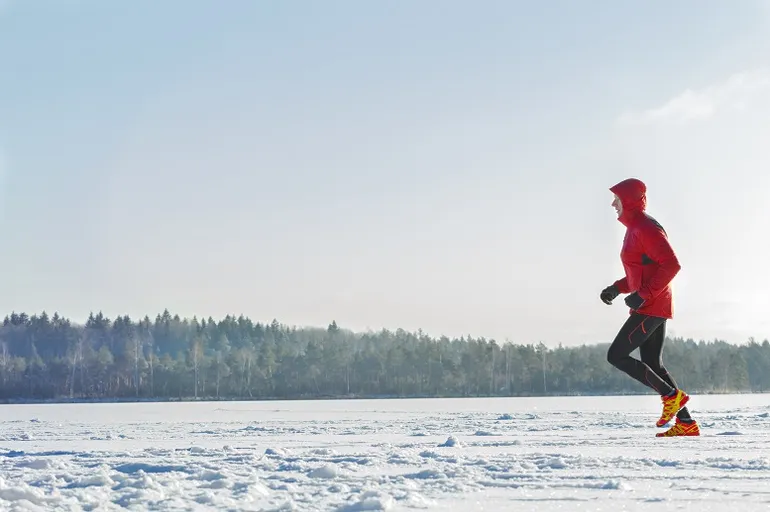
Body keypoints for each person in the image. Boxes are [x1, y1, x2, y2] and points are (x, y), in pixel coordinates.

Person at [600, 178, 700, 437]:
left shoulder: (645, 228)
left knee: (616, 355)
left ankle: (670, 396)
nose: (613, 203)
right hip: (651, 303)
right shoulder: (633, 229)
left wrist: (643, 295)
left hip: (652, 304)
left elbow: (671, 264)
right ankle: (686, 423)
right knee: (652, 363)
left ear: (630, 201)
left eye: (617, 199)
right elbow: (642, 270)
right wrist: (617, 288)